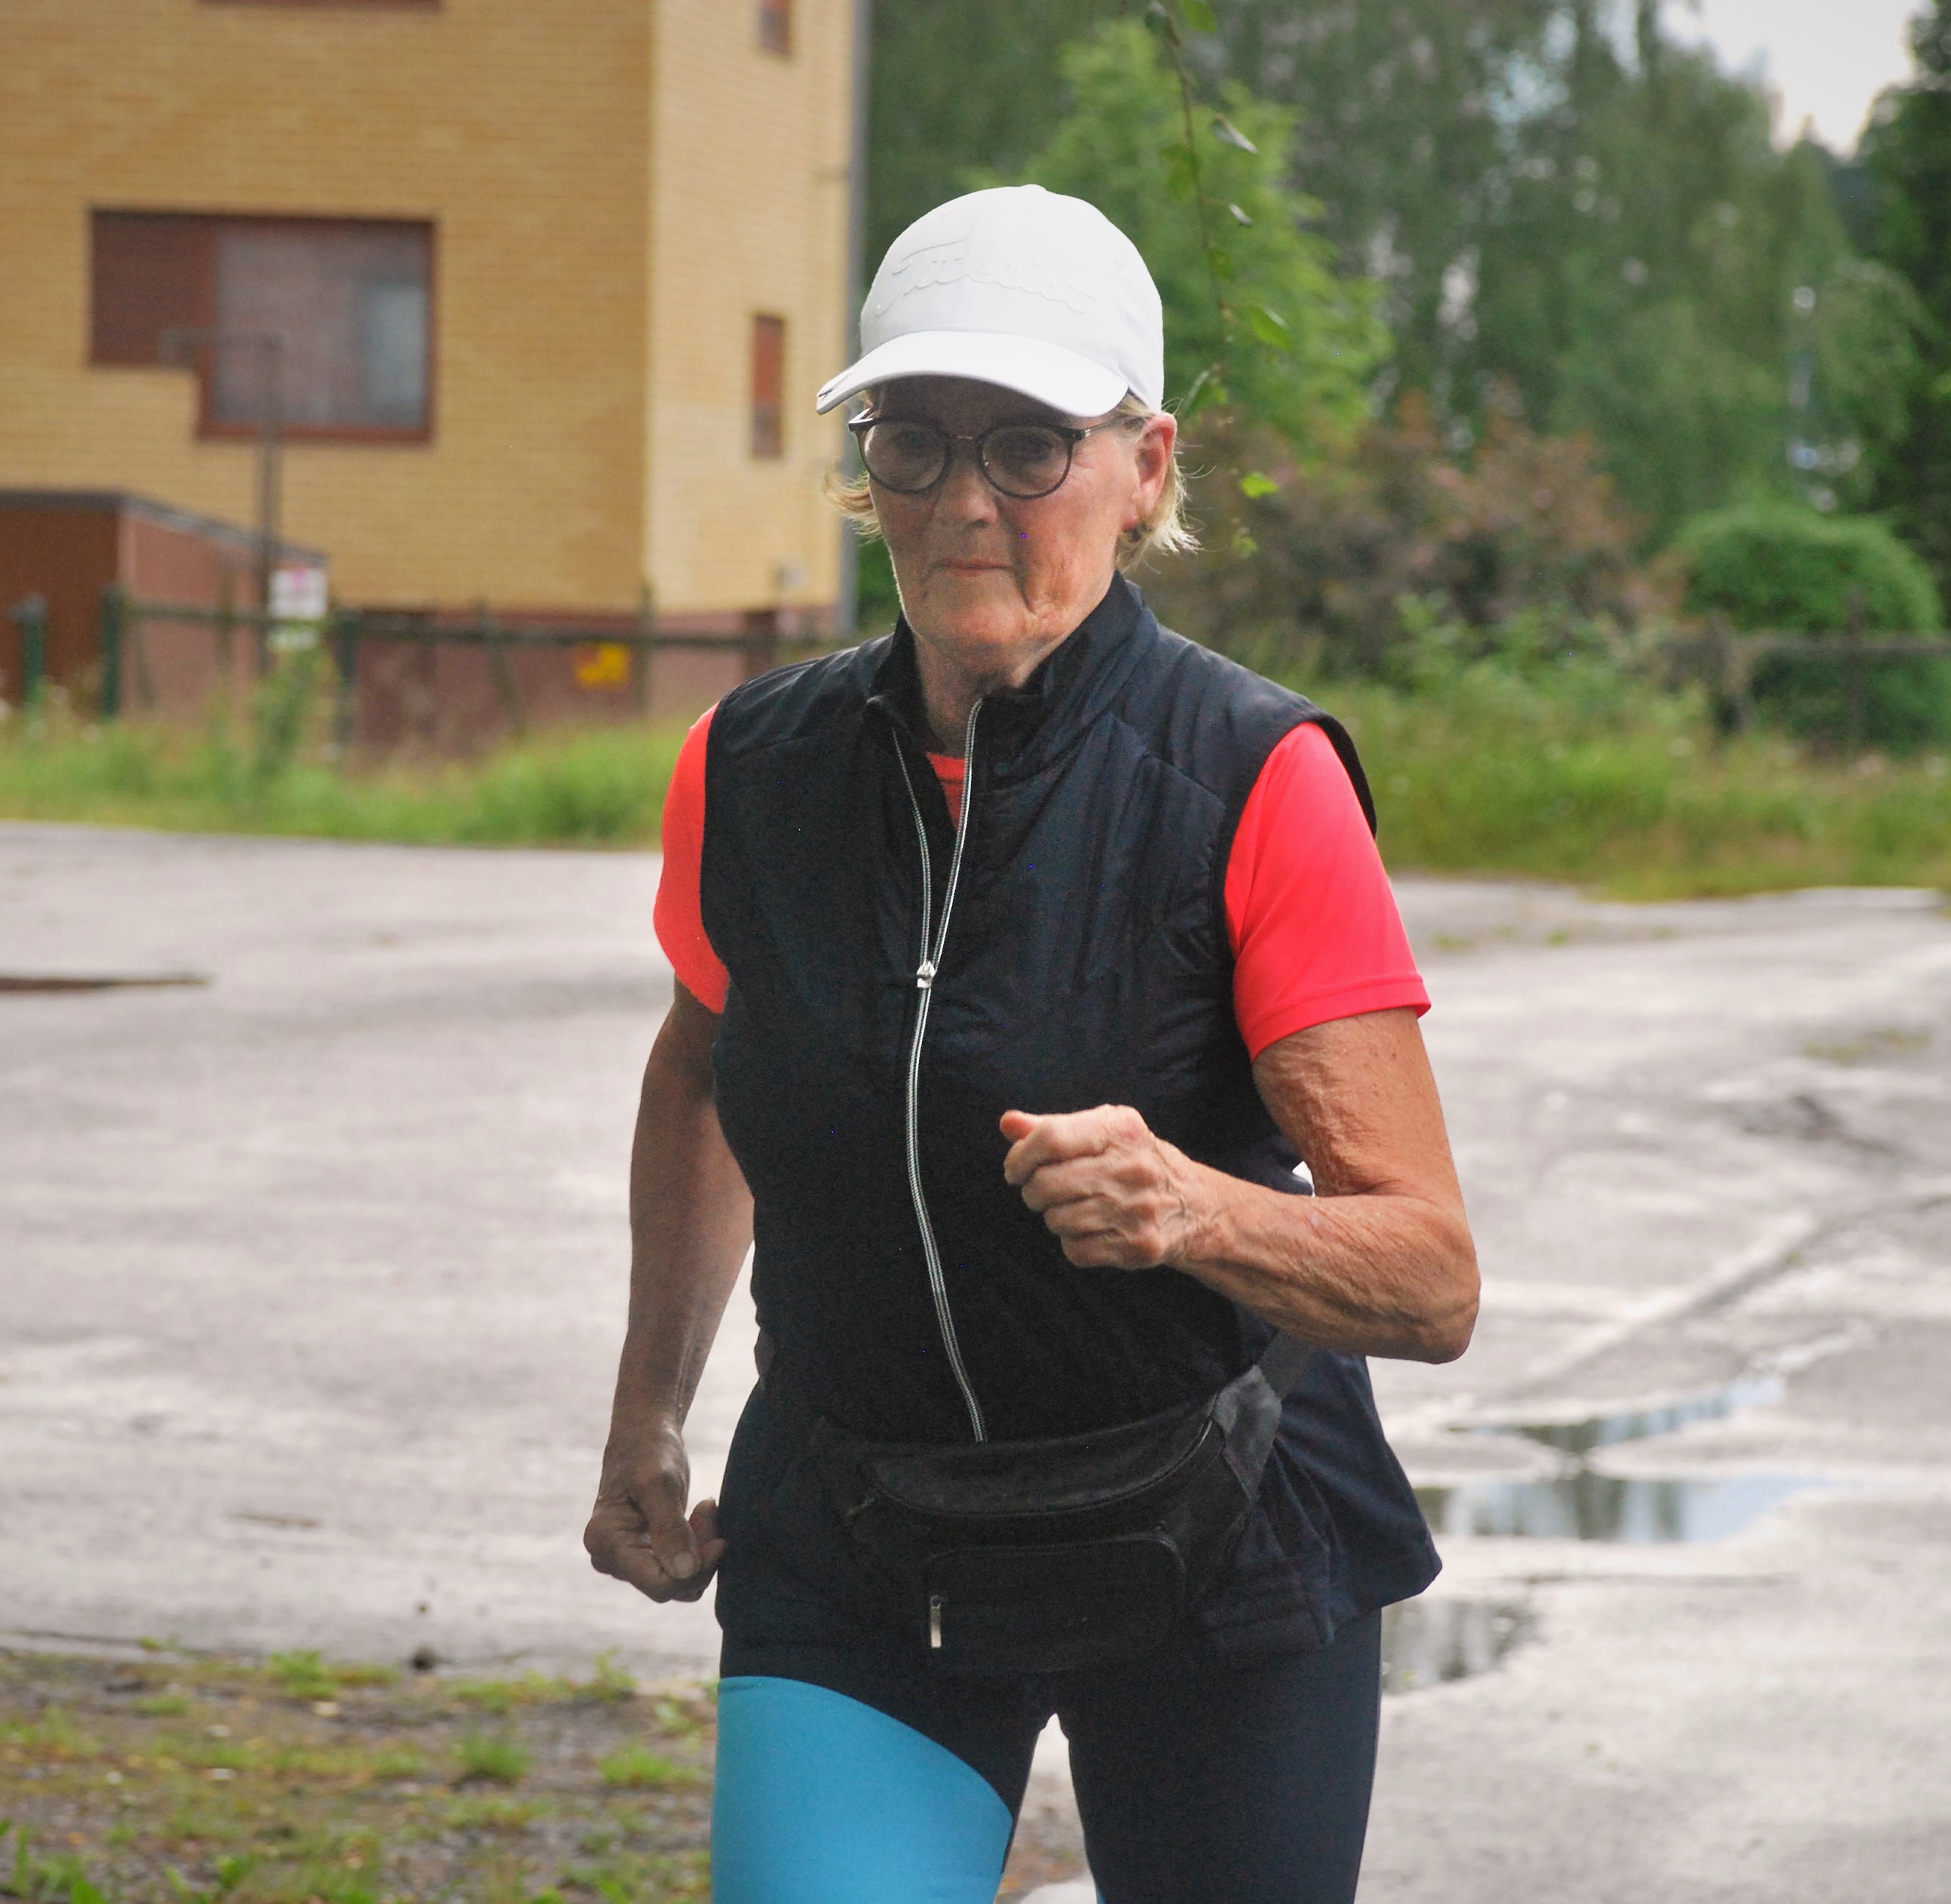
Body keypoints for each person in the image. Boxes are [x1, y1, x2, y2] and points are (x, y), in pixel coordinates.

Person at [583, 184, 1479, 1903]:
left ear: (1145, 467)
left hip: (1215, 1532)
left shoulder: (1250, 779)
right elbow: (705, 1067)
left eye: (1029, 446)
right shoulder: (754, 770)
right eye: (912, 444)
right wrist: (647, 1416)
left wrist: (1194, 1211)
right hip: (859, 1525)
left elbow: (1430, 1277)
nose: (965, 503)